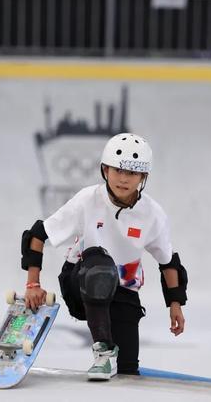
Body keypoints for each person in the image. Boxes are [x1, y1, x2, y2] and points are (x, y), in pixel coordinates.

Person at [20, 133, 188, 380]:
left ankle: (115, 361)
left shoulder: (152, 214)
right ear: (105, 170)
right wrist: (32, 284)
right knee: (100, 265)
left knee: (127, 372)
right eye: (117, 170)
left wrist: (175, 305)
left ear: (143, 177)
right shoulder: (87, 200)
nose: (123, 179)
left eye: (131, 173)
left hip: (122, 290)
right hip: (80, 280)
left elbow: (168, 262)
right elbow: (37, 234)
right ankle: (104, 352)